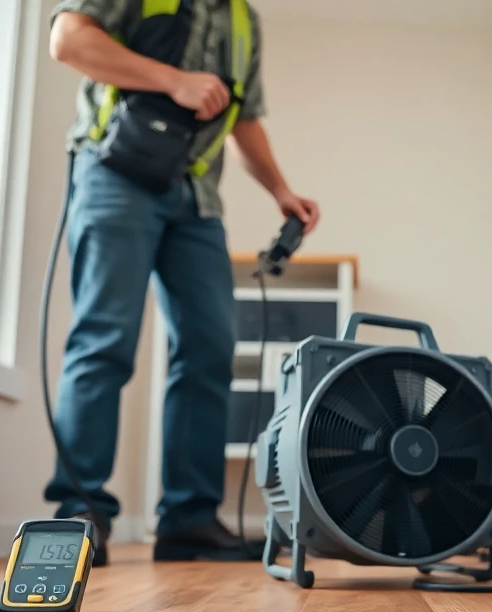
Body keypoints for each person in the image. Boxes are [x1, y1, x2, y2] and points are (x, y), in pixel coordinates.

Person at [45, 0, 319, 566]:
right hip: (115, 171)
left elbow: (242, 118)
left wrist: (281, 191)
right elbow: (68, 40)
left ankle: (189, 520)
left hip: (196, 200)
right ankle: (80, 510)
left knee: (209, 349)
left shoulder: (244, 21)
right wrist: (174, 80)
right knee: (104, 338)